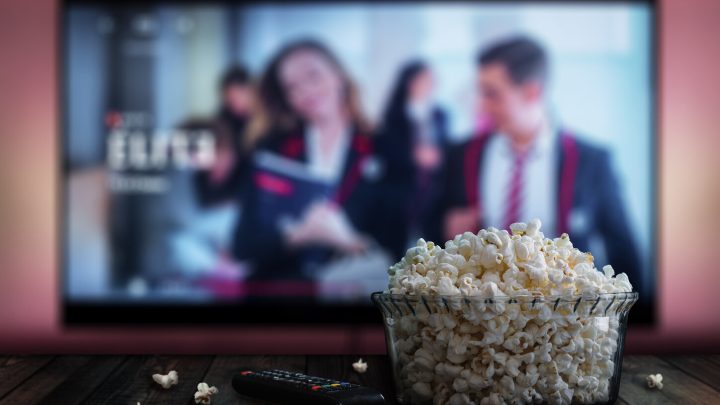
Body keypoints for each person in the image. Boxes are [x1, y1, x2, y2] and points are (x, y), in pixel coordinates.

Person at [432, 36, 644, 301]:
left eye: (492, 94)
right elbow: (429, 233)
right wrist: (445, 226)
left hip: (567, 325)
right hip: (476, 319)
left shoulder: (593, 161)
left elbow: (625, 252)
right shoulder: (460, 155)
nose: (482, 106)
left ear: (532, 92)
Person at [233, 39, 390, 282]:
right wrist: (295, 237)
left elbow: (399, 247)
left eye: (313, 76)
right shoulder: (273, 151)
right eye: (292, 88)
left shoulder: (383, 147)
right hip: (282, 293)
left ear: (339, 75)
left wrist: (348, 239)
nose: (305, 91)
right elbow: (243, 246)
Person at [375, 60, 449, 256]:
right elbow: (385, 151)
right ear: (410, 82)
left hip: (433, 191)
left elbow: (447, 147)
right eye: (426, 79)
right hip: (402, 192)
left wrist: (437, 157)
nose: (431, 84)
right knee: (398, 250)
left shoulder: (441, 114)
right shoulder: (393, 115)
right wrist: (414, 156)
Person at [193, 65, 254, 206]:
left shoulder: (262, 120)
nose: (235, 104)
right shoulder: (220, 121)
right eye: (230, 99)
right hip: (226, 192)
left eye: (239, 96)